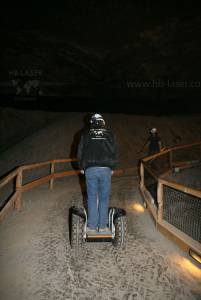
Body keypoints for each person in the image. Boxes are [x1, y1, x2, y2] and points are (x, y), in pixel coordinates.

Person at [77, 113, 117, 233]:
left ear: (91, 123)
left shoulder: (85, 135)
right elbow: (114, 151)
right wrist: (112, 166)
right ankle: (103, 226)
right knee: (104, 198)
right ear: (103, 123)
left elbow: (80, 152)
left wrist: (82, 167)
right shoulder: (110, 134)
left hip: (90, 168)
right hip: (106, 168)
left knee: (92, 197)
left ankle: (92, 226)